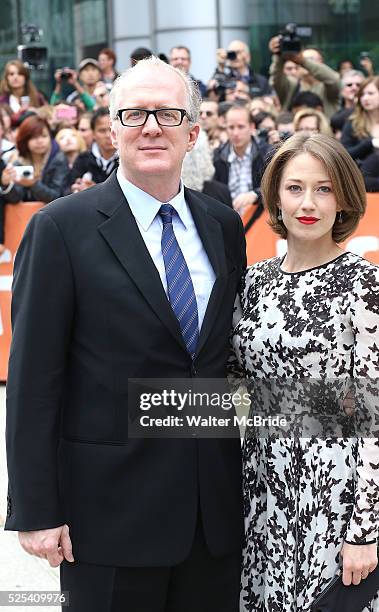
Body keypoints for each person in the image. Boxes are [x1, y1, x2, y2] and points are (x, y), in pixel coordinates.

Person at [5, 55, 246, 612]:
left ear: (193, 131)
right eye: (134, 114)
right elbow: (34, 381)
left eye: (167, 113)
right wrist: (37, 509)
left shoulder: (222, 225)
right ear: (112, 129)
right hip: (107, 519)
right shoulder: (59, 228)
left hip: (212, 520)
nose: (151, 127)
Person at [230, 132, 379, 611]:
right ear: (275, 196)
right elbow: (234, 387)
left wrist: (365, 531)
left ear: (345, 199)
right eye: (295, 188)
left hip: (333, 501)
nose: (309, 203)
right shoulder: (252, 282)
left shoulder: (365, 285)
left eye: (325, 188)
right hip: (259, 494)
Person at [213, 103, 271, 217]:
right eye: (231, 127)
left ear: (252, 127)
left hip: (259, 219)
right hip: (228, 220)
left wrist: (256, 194)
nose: (235, 133)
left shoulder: (267, 153)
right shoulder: (217, 156)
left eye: (240, 127)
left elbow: (276, 184)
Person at [0, 115, 67, 204]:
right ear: (25, 140)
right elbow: (16, 198)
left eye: (44, 136)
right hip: (26, 216)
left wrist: (33, 184)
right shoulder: (19, 163)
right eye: (34, 137)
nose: (40, 141)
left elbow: (57, 197)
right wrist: (6, 184)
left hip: (53, 215)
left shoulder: (59, 160)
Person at [269, 38, 341, 118]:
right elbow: (276, 77)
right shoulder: (292, 86)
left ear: (321, 64)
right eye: (300, 59)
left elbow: (334, 79)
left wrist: (304, 62)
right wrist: (278, 55)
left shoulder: (327, 88)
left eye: (310, 59)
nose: (300, 60)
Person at [68, 107, 118, 193]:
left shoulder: (127, 160)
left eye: (111, 129)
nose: (107, 135)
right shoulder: (83, 159)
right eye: (102, 131)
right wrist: (76, 189)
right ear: (93, 133)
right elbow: (66, 190)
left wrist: (95, 190)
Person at [341, 76, 379, 164]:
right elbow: (343, 155)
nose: (365, 98)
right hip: (362, 175)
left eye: (370, 93)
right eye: (362, 94)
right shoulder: (353, 122)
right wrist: (370, 143)